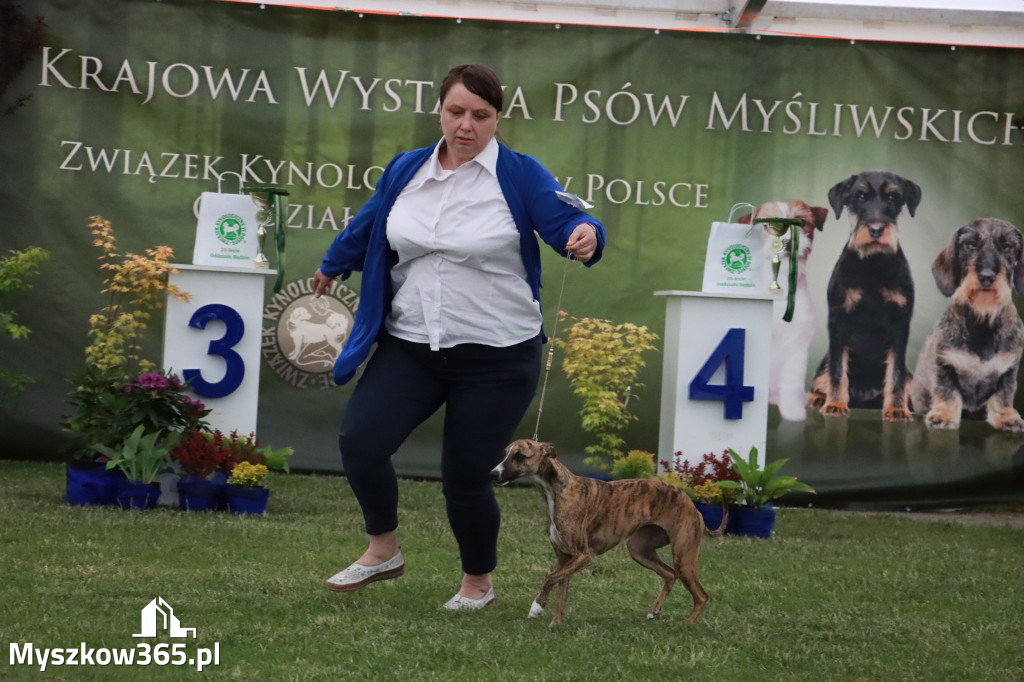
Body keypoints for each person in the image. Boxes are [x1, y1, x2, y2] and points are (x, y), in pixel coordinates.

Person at [312, 63, 606, 610]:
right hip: (413, 345)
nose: (466, 125)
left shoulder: (519, 174)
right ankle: (383, 549)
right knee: (361, 442)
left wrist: (585, 235)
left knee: (465, 477)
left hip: (498, 356)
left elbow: (565, 219)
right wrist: (334, 264)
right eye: (456, 112)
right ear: (439, 111)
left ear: (498, 118)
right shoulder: (407, 169)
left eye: (480, 115)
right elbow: (372, 223)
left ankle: (477, 584)